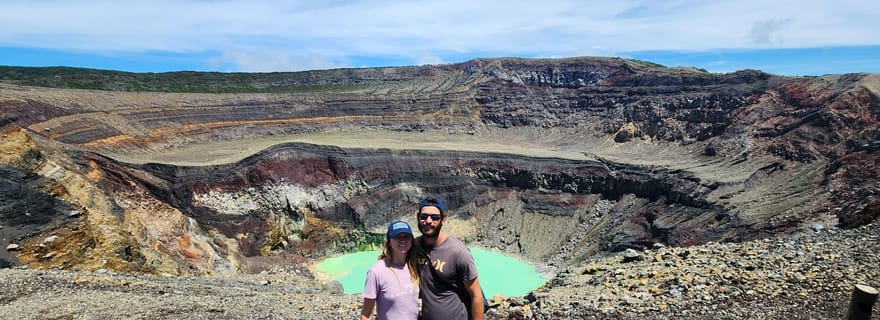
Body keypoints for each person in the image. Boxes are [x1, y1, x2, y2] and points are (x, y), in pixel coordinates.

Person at [415, 196, 484, 320]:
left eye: (435, 217)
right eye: (424, 216)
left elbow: (476, 296)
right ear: (418, 217)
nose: (429, 221)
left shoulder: (458, 252)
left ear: (443, 219)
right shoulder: (415, 247)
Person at [360, 220, 421, 320]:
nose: (403, 240)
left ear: (411, 240)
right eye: (398, 237)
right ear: (389, 242)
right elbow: (366, 315)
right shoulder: (376, 272)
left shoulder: (413, 266)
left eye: (406, 236)